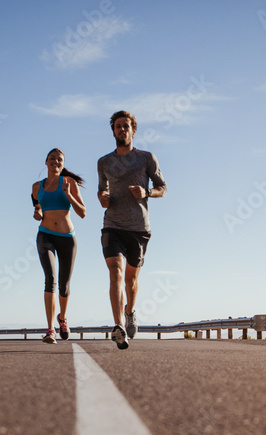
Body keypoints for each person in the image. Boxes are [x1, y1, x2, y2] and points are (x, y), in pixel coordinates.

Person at [97, 110, 167, 350]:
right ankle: (118, 326)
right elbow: (101, 190)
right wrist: (102, 197)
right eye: (118, 126)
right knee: (115, 271)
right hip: (112, 225)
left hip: (138, 228)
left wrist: (147, 192)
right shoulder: (104, 162)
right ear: (113, 131)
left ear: (133, 130)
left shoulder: (146, 158)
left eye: (126, 126)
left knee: (131, 280)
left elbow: (163, 188)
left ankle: (129, 312)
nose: (122, 130)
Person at [32, 148, 86, 343]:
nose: (56, 161)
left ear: (63, 164)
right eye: (52, 158)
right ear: (46, 162)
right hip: (45, 235)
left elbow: (83, 212)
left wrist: (69, 194)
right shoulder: (36, 187)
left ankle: (62, 318)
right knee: (50, 279)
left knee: (64, 286)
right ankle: (50, 330)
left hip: (67, 238)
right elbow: (37, 208)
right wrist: (37, 213)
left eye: (59, 159)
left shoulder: (68, 182)